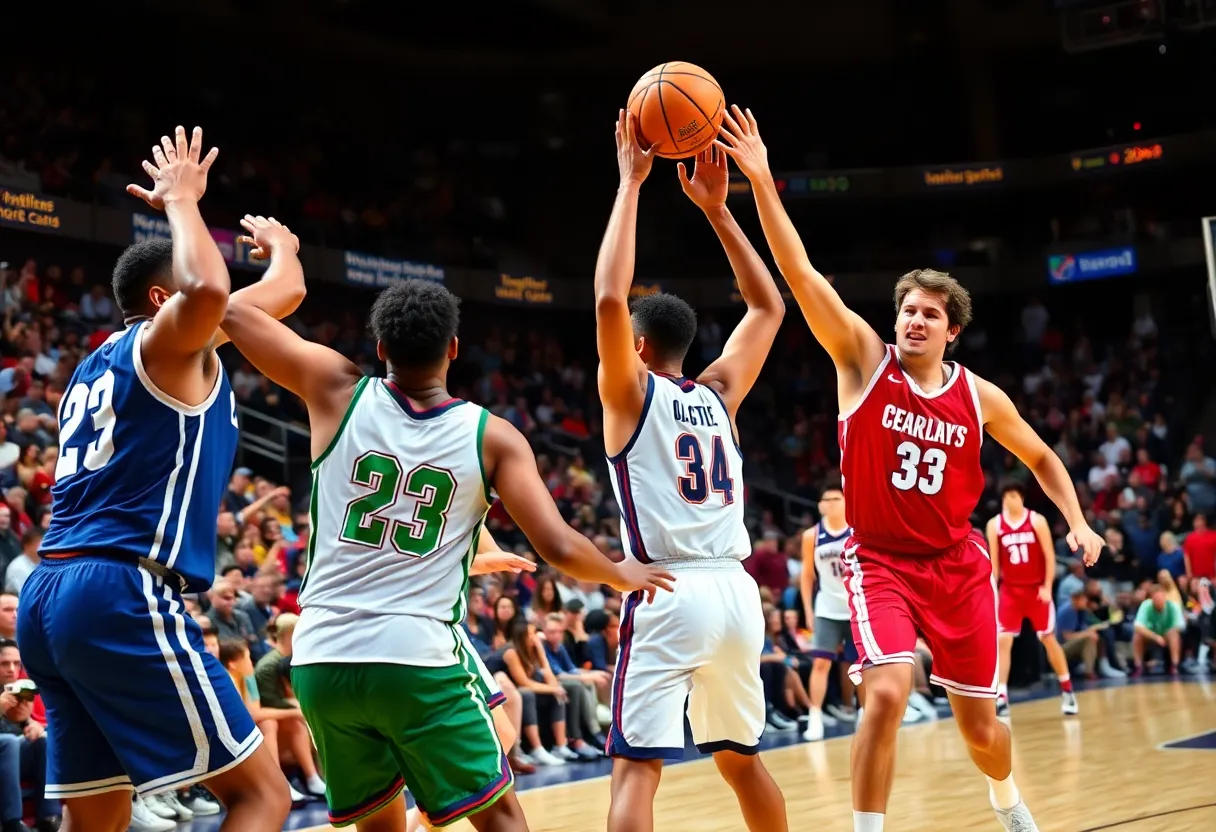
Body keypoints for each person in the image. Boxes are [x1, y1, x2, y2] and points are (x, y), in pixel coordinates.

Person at [719, 105, 1104, 832]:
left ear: (951, 330)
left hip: (958, 565)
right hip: (881, 564)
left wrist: (1077, 521)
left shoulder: (978, 395)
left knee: (983, 735)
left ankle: (1005, 797)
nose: (914, 320)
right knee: (889, 691)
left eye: (930, 314)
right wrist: (762, 180)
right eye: (907, 310)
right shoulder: (864, 361)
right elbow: (799, 274)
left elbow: (1045, 458)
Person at [219, 280, 674, 831]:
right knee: (500, 816)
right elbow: (557, 545)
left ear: (381, 348)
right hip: (415, 654)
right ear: (454, 348)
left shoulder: (335, 388)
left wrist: (285, 260)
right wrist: (620, 573)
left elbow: (235, 308)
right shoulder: (493, 437)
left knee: (377, 824)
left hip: (321, 657)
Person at [15, 126, 309, 832]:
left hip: (49, 599)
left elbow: (280, 292)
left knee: (97, 818)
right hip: (118, 590)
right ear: (160, 299)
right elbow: (210, 288)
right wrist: (182, 202)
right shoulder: (167, 343)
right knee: (262, 796)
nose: (221, 302)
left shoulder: (92, 371)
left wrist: (288, 252)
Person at [597, 112, 788, 832]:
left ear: (638, 347)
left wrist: (630, 184)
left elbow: (609, 298)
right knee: (741, 760)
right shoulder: (718, 394)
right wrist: (717, 209)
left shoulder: (628, 394)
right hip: (736, 595)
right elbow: (769, 304)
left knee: (635, 770)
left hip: (668, 589)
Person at [987, 481, 1077, 717]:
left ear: (1022, 498)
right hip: (1011, 591)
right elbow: (995, 563)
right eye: (1006, 496)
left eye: (1013, 496)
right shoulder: (994, 525)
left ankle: (1067, 690)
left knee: (1048, 639)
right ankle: (1001, 695)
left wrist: (1047, 587)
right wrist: (992, 590)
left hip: (1036, 589)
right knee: (1003, 639)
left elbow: (1049, 556)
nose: (1009, 500)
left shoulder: (1036, 521)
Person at [799, 486, 859, 741]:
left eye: (835, 499)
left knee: (862, 666)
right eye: (825, 500)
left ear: (846, 501)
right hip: (827, 607)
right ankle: (815, 717)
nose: (829, 503)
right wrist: (808, 610)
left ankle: (865, 712)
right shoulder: (812, 535)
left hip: (856, 605)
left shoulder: (857, 530)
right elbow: (807, 575)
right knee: (821, 663)